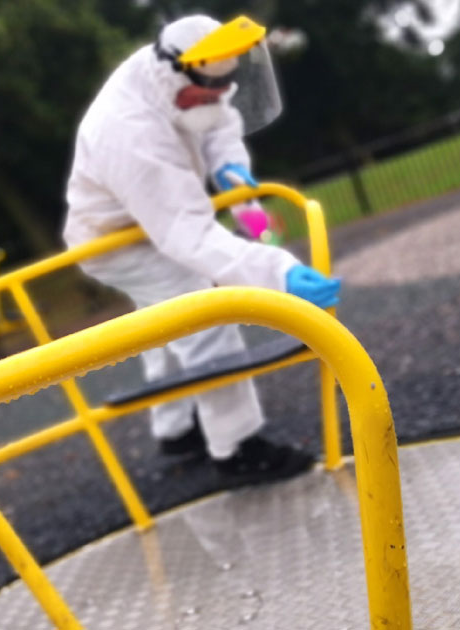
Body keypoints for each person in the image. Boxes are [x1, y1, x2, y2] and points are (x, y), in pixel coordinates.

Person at [62, 14, 342, 486]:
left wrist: (230, 167)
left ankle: (175, 431)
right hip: (116, 241)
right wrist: (279, 272)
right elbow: (186, 233)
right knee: (202, 313)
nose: (219, 95)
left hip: (149, 219)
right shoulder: (128, 131)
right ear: (177, 77)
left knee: (168, 323)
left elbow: (217, 120)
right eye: (209, 90)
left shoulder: (188, 74)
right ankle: (237, 449)